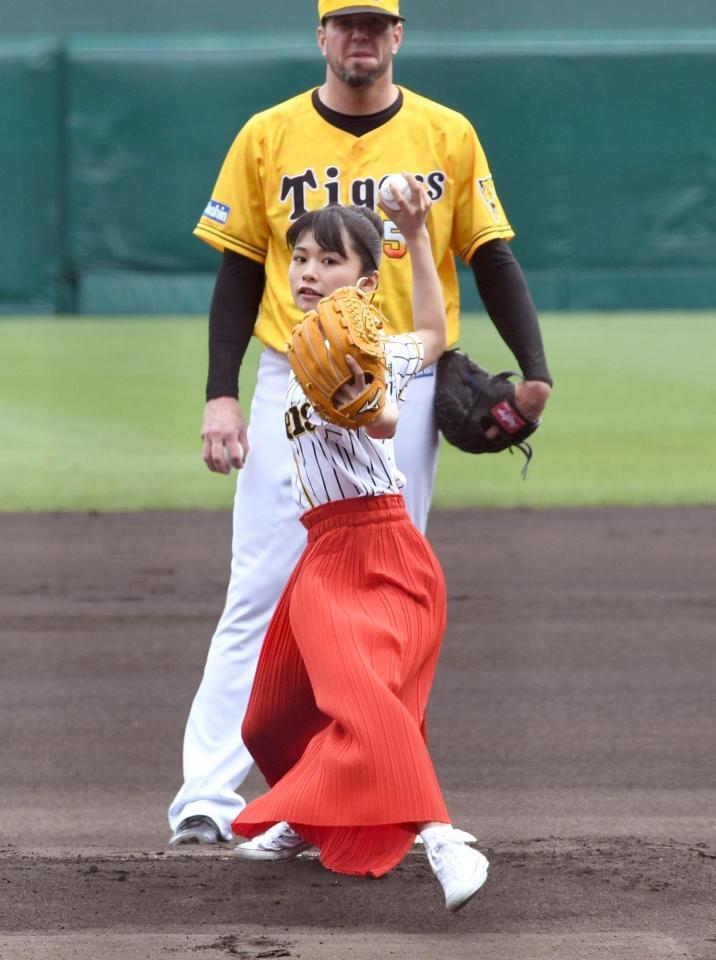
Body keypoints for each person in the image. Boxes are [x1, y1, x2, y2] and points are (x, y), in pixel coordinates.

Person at [169, 0, 552, 846]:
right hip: (290, 373)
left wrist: (536, 372)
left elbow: (490, 255)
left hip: (404, 378)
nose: (361, 39)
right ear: (320, 36)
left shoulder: (447, 134)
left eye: (376, 26)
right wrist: (220, 393)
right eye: (346, 24)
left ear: (398, 37)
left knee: (384, 595)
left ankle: (352, 789)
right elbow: (237, 273)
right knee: (262, 584)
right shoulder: (266, 135)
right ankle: (207, 791)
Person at [231, 189, 489, 912]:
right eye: (300, 257)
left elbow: (393, 400)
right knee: (269, 719)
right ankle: (308, 818)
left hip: (380, 550)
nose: (307, 270)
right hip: (323, 553)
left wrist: (417, 230)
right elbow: (431, 335)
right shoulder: (311, 351)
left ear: (368, 282)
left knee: (363, 701)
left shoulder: (363, 355)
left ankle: (441, 840)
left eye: (329, 259)